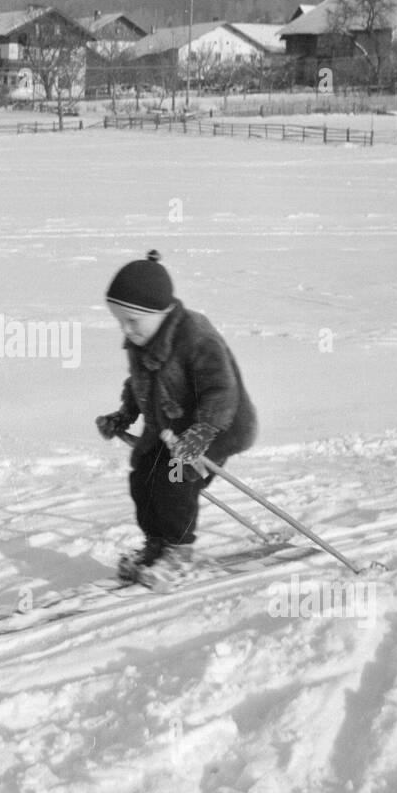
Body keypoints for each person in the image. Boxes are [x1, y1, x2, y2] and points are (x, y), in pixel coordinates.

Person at [95, 250, 257, 588]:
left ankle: (179, 554)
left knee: (174, 479)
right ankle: (157, 544)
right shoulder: (143, 339)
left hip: (219, 426)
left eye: (132, 320)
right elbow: (141, 384)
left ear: (161, 312)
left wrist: (201, 435)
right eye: (120, 321)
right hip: (172, 429)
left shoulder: (196, 337)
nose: (126, 330)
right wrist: (125, 414)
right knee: (143, 478)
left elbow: (222, 391)